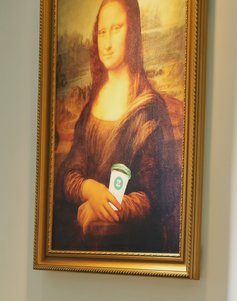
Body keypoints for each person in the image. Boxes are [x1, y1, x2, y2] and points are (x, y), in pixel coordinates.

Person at [53, 0, 181, 253]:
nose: (108, 43)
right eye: (102, 31)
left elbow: (155, 195)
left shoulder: (149, 109)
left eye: (117, 28)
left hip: (132, 248)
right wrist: (90, 189)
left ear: (132, 31)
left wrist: (107, 206)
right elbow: (69, 172)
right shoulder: (91, 107)